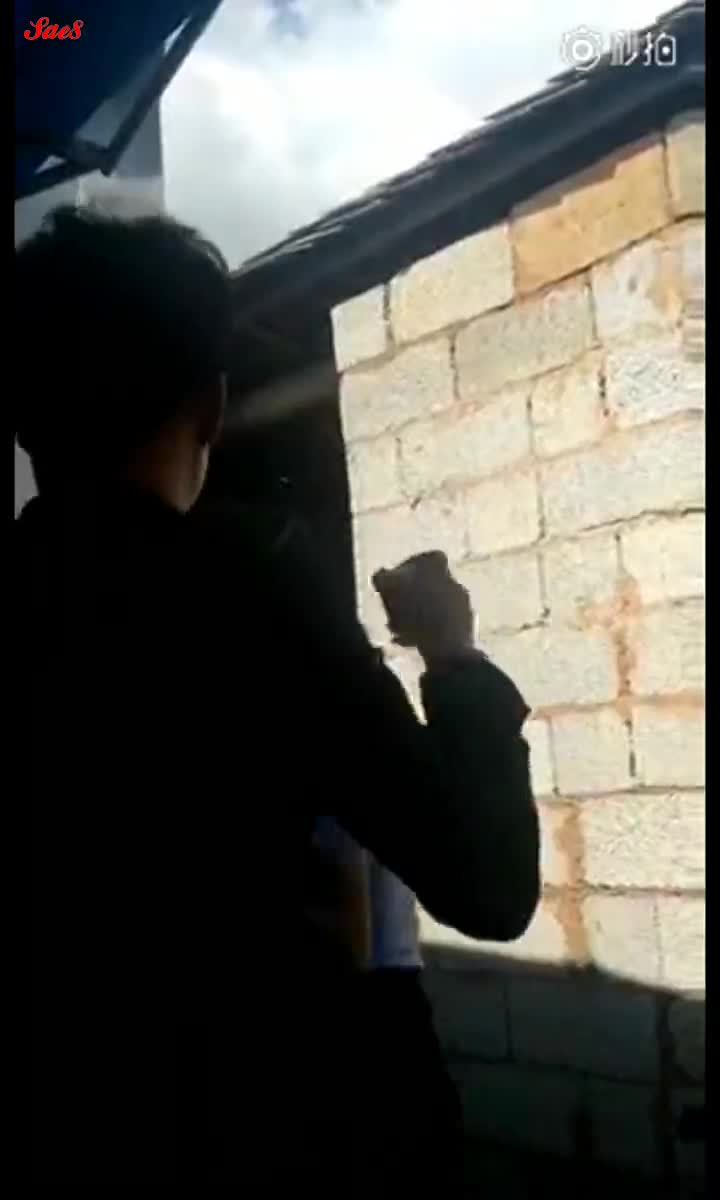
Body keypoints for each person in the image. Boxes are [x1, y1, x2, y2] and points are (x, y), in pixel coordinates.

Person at [15, 206, 540, 1190]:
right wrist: (452, 655)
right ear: (211, 407)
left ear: (25, 417)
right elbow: (489, 886)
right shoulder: (250, 594)